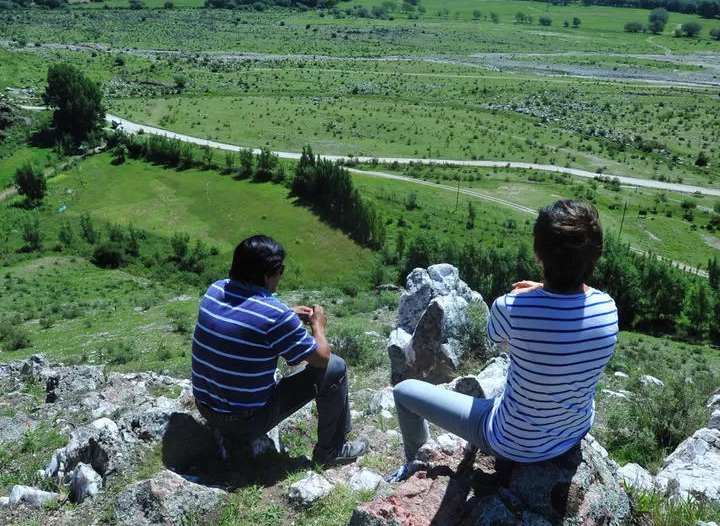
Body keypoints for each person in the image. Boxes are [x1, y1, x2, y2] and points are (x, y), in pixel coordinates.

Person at [392, 200, 618, 472]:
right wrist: (546, 289)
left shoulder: (512, 307)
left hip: (510, 442)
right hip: (573, 433)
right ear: (596, 255)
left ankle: (415, 464)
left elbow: (496, 337)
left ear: (538, 255)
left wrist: (533, 294)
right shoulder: (608, 308)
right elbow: (579, 296)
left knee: (404, 391)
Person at [192, 234, 366, 466]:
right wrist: (318, 326)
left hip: (206, 408)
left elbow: (247, 317)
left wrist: (287, 315)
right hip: (246, 422)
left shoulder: (215, 290)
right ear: (268, 275)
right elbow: (321, 359)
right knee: (336, 367)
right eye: (280, 270)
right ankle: (332, 450)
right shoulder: (274, 316)